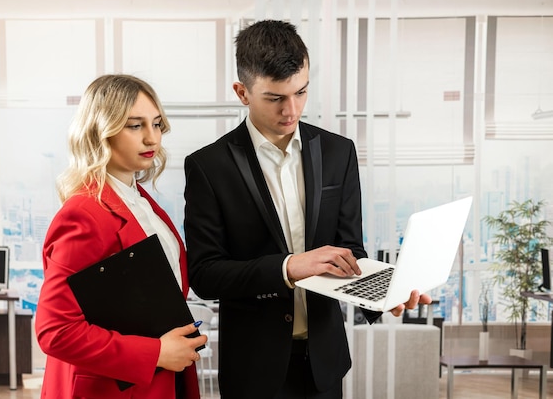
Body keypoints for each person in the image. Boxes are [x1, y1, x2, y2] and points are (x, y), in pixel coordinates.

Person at [183, 20, 431, 399]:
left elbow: (350, 251)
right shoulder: (208, 166)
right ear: (242, 92)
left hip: (324, 362)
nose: (291, 109)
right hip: (253, 367)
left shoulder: (338, 152)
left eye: (301, 92)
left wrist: (383, 294)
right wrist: (288, 267)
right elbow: (205, 274)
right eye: (275, 98)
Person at [35, 74, 206, 399]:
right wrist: (155, 352)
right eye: (135, 125)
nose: (151, 138)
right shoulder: (84, 214)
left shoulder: (140, 200)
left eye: (156, 124)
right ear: (102, 130)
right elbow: (55, 331)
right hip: (113, 387)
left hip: (160, 380)